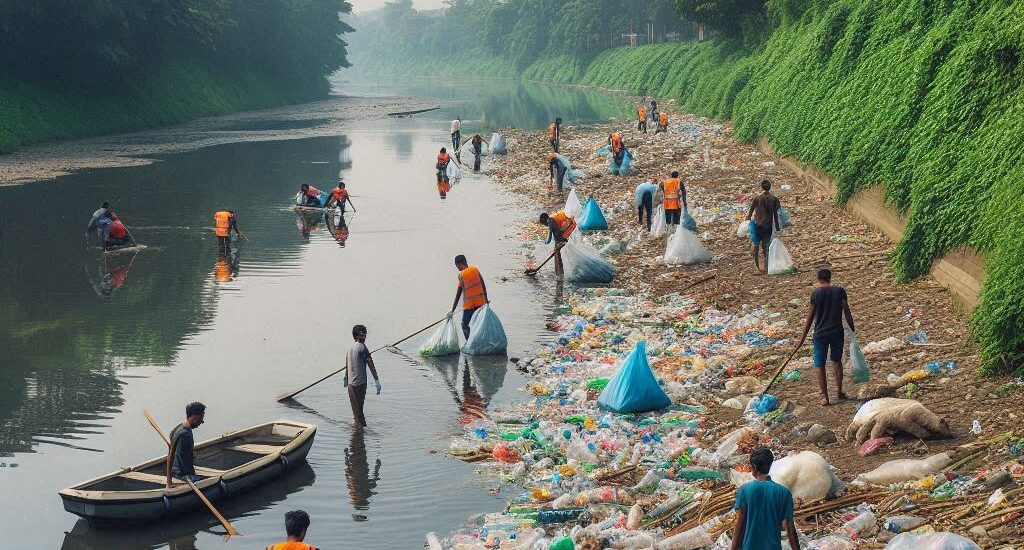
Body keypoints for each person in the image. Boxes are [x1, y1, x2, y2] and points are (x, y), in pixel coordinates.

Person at [794, 268, 855, 406]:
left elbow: (810, 317)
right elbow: (847, 311)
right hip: (837, 332)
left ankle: (824, 396)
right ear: (829, 278)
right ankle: (839, 391)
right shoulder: (840, 291)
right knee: (836, 361)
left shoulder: (816, 293)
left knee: (819, 364)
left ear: (819, 279)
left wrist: (801, 339)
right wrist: (853, 329)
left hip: (820, 334)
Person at [730, 447, 800, 550]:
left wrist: (733, 548)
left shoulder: (744, 490)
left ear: (754, 466)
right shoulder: (784, 493)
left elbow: (740, 524)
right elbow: (790, 527)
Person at [346, 325, 381, 429]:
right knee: (359, 412)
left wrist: (345, 380)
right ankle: (361, 432)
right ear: (357, 335)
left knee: (356, 411)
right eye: (362, 334)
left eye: (365, 334)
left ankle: (357, 434)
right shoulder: (363, 347)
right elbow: (371, 364)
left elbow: (346, 365)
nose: (365, 336)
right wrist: (377, 381)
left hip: (351, 385)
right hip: (359, 384)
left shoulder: (349, 348)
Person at [165, 401, 205, 487]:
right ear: (194, 417)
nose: (202, 422)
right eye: (201, 418)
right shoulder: (185, 434)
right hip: (181, 475)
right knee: (207, 482)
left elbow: (170, 451)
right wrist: (169, 482)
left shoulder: (178, 427)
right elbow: (170, 456)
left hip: (176, 471)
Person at [746, 179, 782, 273]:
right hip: (767, 226)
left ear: (761, 187)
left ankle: (757, 267)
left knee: (756, 246)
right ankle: (766, 267)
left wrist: (748, 218)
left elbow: (751, 209)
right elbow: (775, 214)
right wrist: (777, 227)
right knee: (766, 247)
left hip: (757, 225)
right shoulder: (774, 199)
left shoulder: (757, 198)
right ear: (770, 187)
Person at [450, 255, 489, 339]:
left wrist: (452, 310)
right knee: (479, 324)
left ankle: (469, 342)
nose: (457, 268)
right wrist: (486, 300)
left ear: (460, 264)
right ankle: (481, 340)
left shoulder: (461, 275)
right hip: (481, 302)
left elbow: (459, 293)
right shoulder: (475, 270)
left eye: (457, 265)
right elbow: (483, 285)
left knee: (464, 325)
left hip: (470, 305)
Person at [538, 210, 576, 278]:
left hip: (560, 241)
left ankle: (559, 275)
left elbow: (549, 238)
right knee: (557, 257)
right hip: (560, 240)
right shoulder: (552, 219)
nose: (545, 225)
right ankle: (559, 273)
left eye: (544, 224)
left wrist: (544, 242)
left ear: (546, 220)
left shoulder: (550, 222)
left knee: (558, 258)